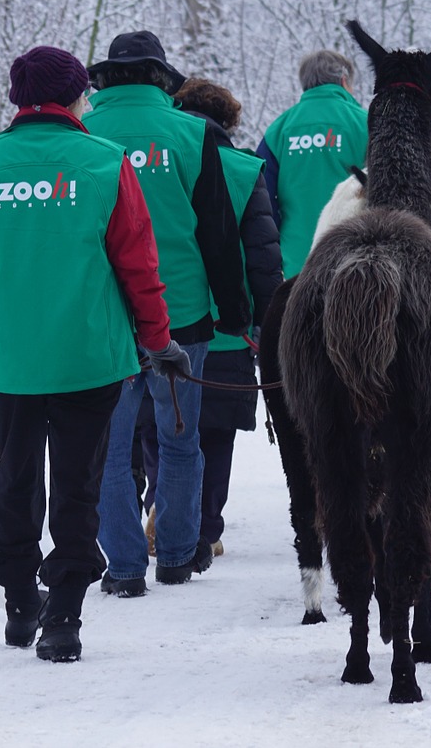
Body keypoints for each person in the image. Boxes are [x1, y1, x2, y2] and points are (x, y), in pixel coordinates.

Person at [0, 45, 189, 663]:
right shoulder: (104, 163)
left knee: (15, 478)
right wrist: (159, 342)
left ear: (18, 100)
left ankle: (21, 602)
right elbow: (139, 265)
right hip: (88, 359)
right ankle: (65, 619)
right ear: (76, 98)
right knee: (79, 485)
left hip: (4, 362)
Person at [83, 30, 251, 596]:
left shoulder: (83, 134)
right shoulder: (193, 132)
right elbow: (217, 232)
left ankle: (125, 568)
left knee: (109, 449)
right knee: (181, 440)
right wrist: (234, 310)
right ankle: (177, 556)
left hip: (105, 322)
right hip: (180, 317)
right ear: (161, 78)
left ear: (106, 78)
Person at [170, 76, 282, 556]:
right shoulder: (242, 168)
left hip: (162, 326)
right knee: (215, 434)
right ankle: (204, 528)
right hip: (226, 334)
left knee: (165, 427)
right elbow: (261, 255)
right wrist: (267, 321)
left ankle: (167, 510)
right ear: (230, 121)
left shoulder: (151, 162)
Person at [256, 49, 369, 278]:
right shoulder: (366, 124)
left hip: (295, 264)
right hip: (354, 261)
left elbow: (261, 199)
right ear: (344, 81)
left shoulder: (279, 129)